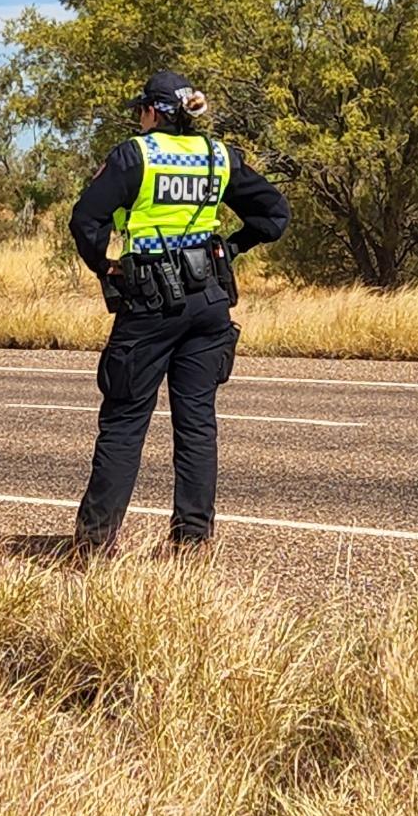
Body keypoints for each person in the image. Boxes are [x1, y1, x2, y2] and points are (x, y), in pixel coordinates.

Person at [69, 72, 289, 555]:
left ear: (153, 110)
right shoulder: (218, 156)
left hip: (149, 301)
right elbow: (274, 214)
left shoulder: (136, 155)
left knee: (126, 420)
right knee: (197, 423)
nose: (138, 118)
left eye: (141, 110)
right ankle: (192, 541)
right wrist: (229, 249)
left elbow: (86, 220)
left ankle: (94, 545)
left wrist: (105, 268)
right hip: (208, 298)